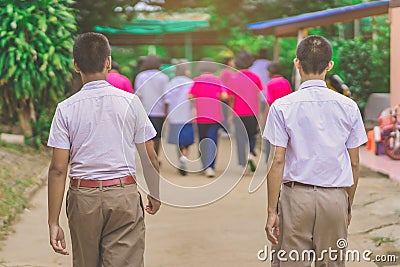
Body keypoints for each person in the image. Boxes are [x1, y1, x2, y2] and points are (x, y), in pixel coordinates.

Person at [47, 32, 161, 267]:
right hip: (123, 196)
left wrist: (53, 221)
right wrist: (155, 193)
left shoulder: (65, 109)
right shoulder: (130, 102)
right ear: (108, 62)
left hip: (83, 199)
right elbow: (149, 157)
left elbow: (58, 169)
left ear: (75, 65)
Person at [263, 35, 367, 266]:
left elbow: (277, 161)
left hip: (295, 199)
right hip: (335, 198)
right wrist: (346, 204)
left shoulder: (282, 106)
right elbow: (355, 164)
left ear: (297, 62)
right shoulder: (349, 107)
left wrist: (272, 211)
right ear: (330, 65)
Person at [222, 50, 263, 172]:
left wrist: (230, 114)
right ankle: (250, 153)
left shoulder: (233, 78)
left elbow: (231, 99)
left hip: (238, 113)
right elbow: (258, 96)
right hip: (253, 112)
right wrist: (259, 112)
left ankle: (242, 163)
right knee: (252, 135)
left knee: (240, 137)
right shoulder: (256, 77)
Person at [189, 58, 227, 178]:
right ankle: (210, 166)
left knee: (202, 140)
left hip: (200, 116)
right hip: (214, 116)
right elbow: (224, 95)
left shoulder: (197, 80)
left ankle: (204, 165)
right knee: (212, 140)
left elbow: (190, 95)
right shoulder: (217, 80)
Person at [135, 55, 169, 158]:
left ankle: (148, 157)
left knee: (146, 137)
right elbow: (166, 97)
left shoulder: (140, 76)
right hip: (159, 112)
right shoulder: (164, 77)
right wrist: (166, 112)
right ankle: (156, 157)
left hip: (144, 111)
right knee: (157, 137)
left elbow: (138, 95)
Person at [165, 61, 195, 176]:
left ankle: (180, 159)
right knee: (187, 140)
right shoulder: (190, 82)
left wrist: (166, 114)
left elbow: (166, 100)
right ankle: (184, 156)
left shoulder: (171, 83)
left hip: (174, 115)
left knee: (178, 141)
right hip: (187, 115)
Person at [263, 62, 292, 161]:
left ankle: (269, 158)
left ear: (271, 72)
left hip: (274, 113)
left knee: (270, 137)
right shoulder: (285, 82)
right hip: (286, 113)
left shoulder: (270, 83)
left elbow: (269, 101)